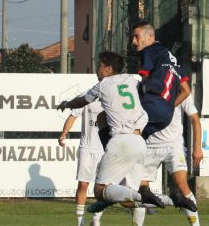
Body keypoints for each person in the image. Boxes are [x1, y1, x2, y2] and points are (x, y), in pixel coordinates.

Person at [57, 51, 164, 212]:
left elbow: (81, 101)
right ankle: (168, 201)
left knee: (100, 191)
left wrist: (66, 104)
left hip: (121, 141)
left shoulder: (102, 85)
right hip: (139, 142)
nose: (96, 70)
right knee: (128, 194)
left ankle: (139, 196)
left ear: (108, 69)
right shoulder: (132, 80)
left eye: (99, 66)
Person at [119, 95, 205, 226]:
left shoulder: (180, 90)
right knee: (141, 190)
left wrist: (197, 147)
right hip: (149, 146)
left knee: (182, 185)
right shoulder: (145, 90)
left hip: (173, 146)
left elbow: (195, 119)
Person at [131, 20, 191, 139]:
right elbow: (186, 91)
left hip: (152, 106)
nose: (133, 42)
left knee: (121, 131)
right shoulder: (169, 57)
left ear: (149, 37)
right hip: (167, 117)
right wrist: (167, 106)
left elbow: (145, 80)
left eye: (137, 37)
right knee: (137, 139)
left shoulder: (148, 51)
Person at [58, 101, 105, 226]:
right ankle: (80, 224)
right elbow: (73, 115)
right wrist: (64, 133)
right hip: (87, 148)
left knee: (104, 187)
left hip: (105, 148)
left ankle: (96, 219)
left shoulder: (112, 98)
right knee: (83, 185)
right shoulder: (88, 99)